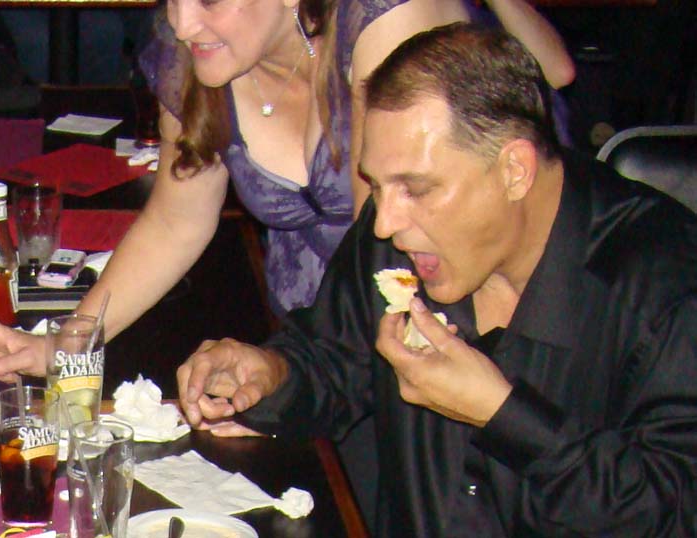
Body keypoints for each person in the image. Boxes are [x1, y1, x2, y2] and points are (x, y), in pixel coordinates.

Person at [175, 22, 697, 536]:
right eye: (378, 186)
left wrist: (502, 415)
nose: (385, 223)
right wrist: (272, 372)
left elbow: (675, 511)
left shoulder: (665, 286)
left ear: (515, 170)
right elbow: (336, 358)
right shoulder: (400, 238)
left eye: (417, 189)